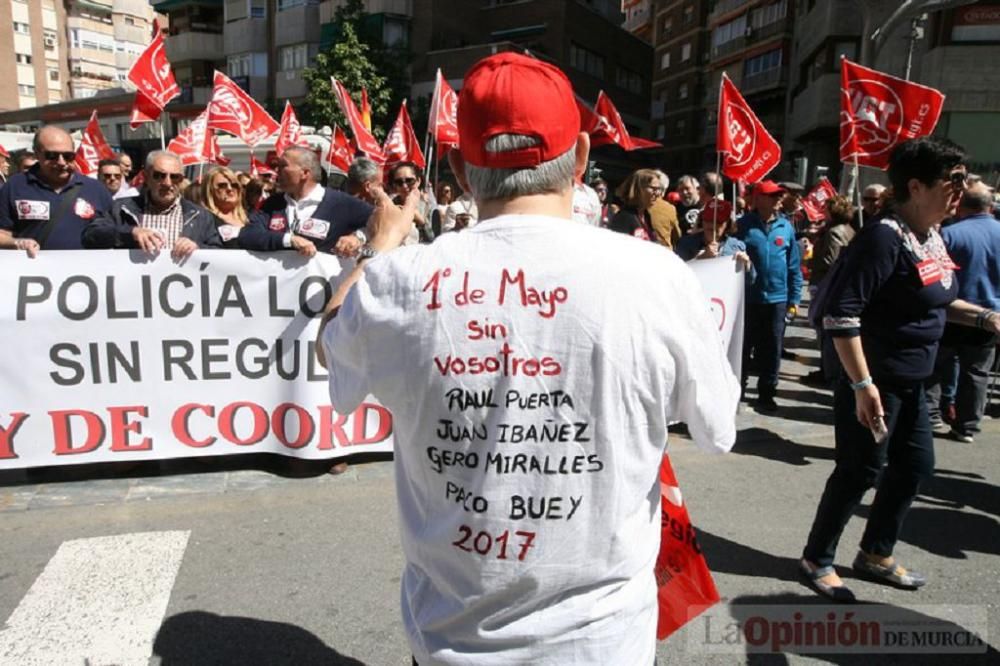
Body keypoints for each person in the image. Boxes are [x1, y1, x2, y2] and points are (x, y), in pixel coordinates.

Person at [317, 51, 737, 665]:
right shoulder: (657, 277)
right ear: (583, 157)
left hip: (448, 641)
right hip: (602, 643)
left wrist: (375, 251)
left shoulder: (397, 281)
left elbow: (330, 348)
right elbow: (717, 424)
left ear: (460, 169)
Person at [800, 137, 1000, 602]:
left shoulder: (930, 236)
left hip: (915, 380)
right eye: (952, 181)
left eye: (964, 179)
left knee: (914, 466)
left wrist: (985, 317)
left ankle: (875, 553)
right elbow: (842, 316)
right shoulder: (883, 237)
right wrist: (862, 385)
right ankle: (817, 558)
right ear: (915, 185)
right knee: (860, 470)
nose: (962, 189)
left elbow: (938, 299)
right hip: (876, 380)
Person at [925, 182, 1000, 442]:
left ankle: (931, 415)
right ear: (989, 206)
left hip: (950, 311)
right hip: (990, 316)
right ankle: (967, 425)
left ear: (960, 206)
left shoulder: (949, 234)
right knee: (977, 373)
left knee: (936, 366)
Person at [736, 180, 802, 412]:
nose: (778, 200)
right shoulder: (742, 225)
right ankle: (738, 390)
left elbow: (794, 265)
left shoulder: (786, 227)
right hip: (749, 299)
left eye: (779, 196)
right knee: (744, 347)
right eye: (773, 196)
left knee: (772, 347)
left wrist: (794, 299)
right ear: (759, 199)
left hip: (777, 299)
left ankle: (767, 392)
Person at [82, 150, 222, 258]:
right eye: (159, 176)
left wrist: (198, 249)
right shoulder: (120, 208)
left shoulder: (200, 216)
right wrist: (131, 233)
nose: (167, 183)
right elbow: (91, 236)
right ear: (146, 177)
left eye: (174, 177)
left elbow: (220, 254)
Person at [0, 125, 113, 256]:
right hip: (33, 273)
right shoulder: (15, 186)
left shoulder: (95, 189)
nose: (61, 162)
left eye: (68, 156)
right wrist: (17, 243)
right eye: (52, 155)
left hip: (86, 274)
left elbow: (116, 231)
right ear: (37, 154)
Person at [241, 146, 371, 258]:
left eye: (283, 166)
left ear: (305, 173)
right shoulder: (272, 204)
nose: (276, 172)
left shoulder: (342, 203)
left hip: (326, 285)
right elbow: (248, 235)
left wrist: (358, 237)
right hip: (280, 284)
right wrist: (288, 240)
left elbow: (383, 222)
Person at [805, 195, 856, 384]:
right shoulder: (850, 230)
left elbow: (830, 261)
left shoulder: (834, 232)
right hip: (832, 284)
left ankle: (828, 371)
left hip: (825, 284)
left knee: (824, 331)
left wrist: (810, 262)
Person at [675, 198, 751, 272]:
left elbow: (750, 280)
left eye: (718, 222)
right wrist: (699, 259)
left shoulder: (736, 246)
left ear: (728, 224)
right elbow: (677, 274)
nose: (712, 225)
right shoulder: (685, 244)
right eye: (708, 220)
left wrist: (747, 266)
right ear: (702, 221)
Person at [201, 166, 249, 248]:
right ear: (209, 190)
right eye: (222, 185)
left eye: (234, 185)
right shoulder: (203, 220)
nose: (230, 189)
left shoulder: (251, 218)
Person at [388, 161, 434, 244]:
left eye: (409, 181)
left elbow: (435, 241)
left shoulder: (430, 207)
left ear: (418, 181)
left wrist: (422, 222)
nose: (404, 186)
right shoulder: (388, 206)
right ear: (394, 185)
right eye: (399, 182)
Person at [608, 168, 662, 240]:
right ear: (638, 189)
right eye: (653, 188)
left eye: (659, 189)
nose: (658, 193)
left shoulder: (646, 215)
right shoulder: (624, 217)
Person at [648, 169, 681, 249]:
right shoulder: (669, 208)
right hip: (664, 253)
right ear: (663, 190)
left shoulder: (634, 205)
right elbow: (677, 236)